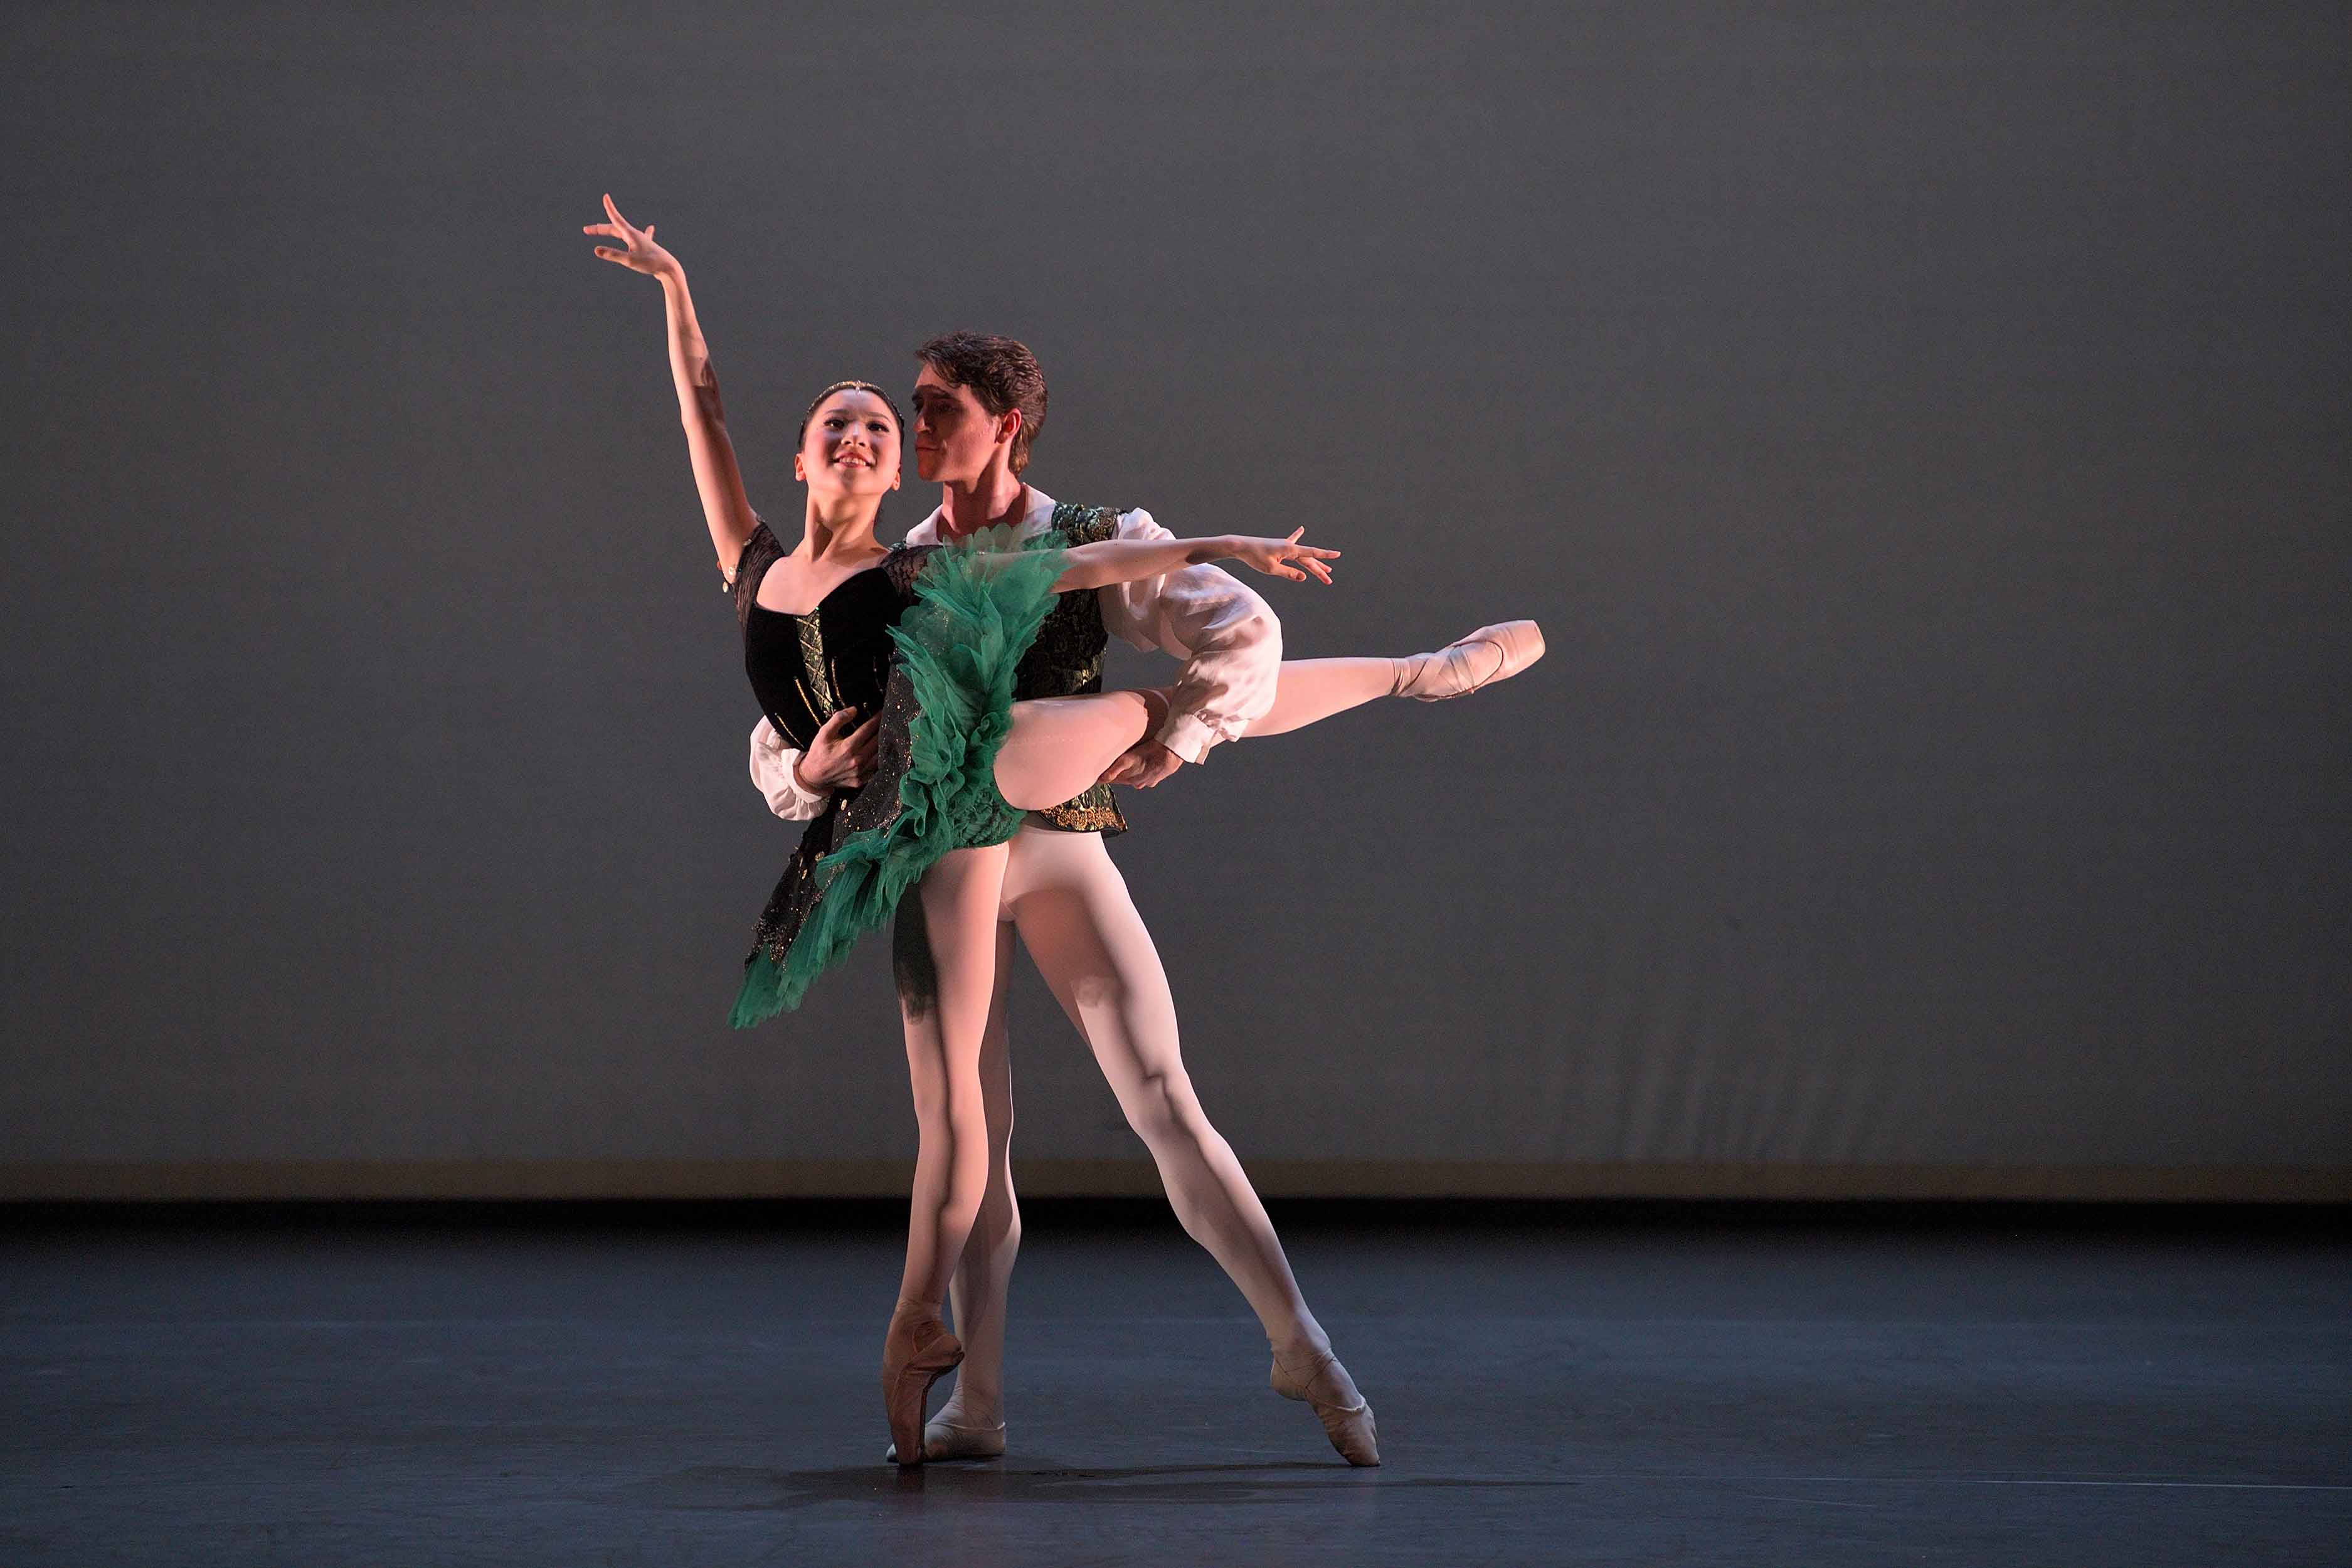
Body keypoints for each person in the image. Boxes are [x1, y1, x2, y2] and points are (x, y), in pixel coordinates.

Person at [584, 196, 1540, 1467]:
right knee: (979, 1133)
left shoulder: (1084, 535)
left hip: (1059, 822)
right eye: (884, 416)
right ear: (812, 458)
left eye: (927, 412)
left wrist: (1174, 735)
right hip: (948, 848)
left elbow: (1245, 640)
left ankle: (1299, 1338)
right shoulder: (900, 555)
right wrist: (806, 769)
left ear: (1005, 425)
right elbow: (797, 718)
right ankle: (975, 1399)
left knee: (1161, 1095)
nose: (908, 429)